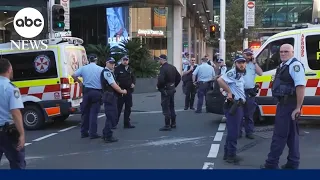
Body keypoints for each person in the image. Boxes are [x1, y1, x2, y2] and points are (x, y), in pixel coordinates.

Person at [261, 44, 305, 169]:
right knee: (292, 136)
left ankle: (271, 164)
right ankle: (293, 163)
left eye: (286, 51)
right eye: (281, 51)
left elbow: (300, 87)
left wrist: (298, 108)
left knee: (279, 135)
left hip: (288, 105)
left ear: (292, 52)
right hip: (284, 104)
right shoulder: (283, 66)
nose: (283, 53)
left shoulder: (294, 66)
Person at [217, 55, 247, 164]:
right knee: (233, 132)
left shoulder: (241, 73)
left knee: (232, 131)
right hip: (234, 105)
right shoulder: (233, 72)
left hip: (238, 104)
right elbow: (220, 80)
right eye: (239, 63)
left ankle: (227, 153)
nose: (241, 64)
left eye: (243, 62)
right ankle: (231, 155)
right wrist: (229, 92)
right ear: (235, 64)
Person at [0, 58, 26, 169]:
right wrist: (22, 134)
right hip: (8, 133)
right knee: (17, 164)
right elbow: (15, 112)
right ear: (10, 69)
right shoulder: (11, 88)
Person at [72, 54, 103, 139]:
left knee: (85, 113)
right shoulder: (100, 69)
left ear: (89, 60)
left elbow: (73, 75)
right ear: (96, 60)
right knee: (93, 114)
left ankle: (84, 132)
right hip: (96, 92)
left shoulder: (83, 68)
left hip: (86, 92)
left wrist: (80, 82)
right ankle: (93, 133)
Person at [101, 57, 127, 143]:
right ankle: (108, 135)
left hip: (109, 95)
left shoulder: (108, 72)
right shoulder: (107, 73)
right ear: (106, 63)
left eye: (113, 63)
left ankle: (106, 133)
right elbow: (113, 85)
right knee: (111, 115)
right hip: (110, 96)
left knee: (111, 115)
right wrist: (122, 91)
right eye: (110, 63)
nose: (112, 65)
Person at [239, 48, 263, 139]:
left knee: (249, 114)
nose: (248, 56)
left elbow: (260, 73)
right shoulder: (239, 64)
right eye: (247, 54)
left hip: (250, 92)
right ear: (243, 54)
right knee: (239, 113)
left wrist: (255, 62)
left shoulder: (253, 65)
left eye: (250, 55)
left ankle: (249, 132)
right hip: (240, 91)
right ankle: (238, 132)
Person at [157, 54, 181, 131]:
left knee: (165, 107)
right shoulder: (172, 67)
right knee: (171, 106)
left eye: (159, 59)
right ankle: (173, 123)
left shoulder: (163, 68)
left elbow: (161, 80)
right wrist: (174, 85)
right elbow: (179, 77)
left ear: (162, 60)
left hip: (166, 89)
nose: (159, 61)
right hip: (172, 89)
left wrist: (160, 87)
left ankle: (167, 125)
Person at [114, 56, 136, 129]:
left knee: (128, 108)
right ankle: (114, 123)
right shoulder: (117, 69)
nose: (125, 61)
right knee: (118, 108)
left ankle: (127, 123)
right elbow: (114, 79)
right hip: (120, 91)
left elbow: (133, 77)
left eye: (127, 60)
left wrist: (133, 83)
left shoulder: (130, 69)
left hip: (129, 91)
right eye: (124, 60)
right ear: (121, 60)